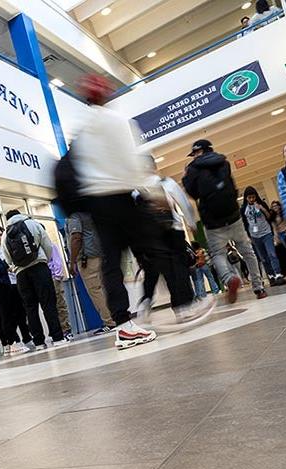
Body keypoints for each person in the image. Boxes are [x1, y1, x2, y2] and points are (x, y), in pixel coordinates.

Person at [70, 75, 214, 349]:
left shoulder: (83, 130)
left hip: (97, 203)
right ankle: (183, 306)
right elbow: (129, 159)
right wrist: (149, 192)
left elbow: (79, 169)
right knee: (160, 250)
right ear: (105, 94)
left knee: (111, 265)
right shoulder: (116, 121)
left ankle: (124, 326)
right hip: (122, 197)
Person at [183, 139, 267, 302]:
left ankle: (230, 279)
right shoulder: (223, 162)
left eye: (195, 153)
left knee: (218, 254)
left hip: (212, 221)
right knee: (247, 251)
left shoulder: (193, 169)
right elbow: (233, 187)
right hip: (233, 216)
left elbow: (193, 194)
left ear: (199, 152)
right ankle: (259, 288)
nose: (194, 157)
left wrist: (187, 177)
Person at [134, 174, 204, 323]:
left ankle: (146, 301)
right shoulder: (166, 182)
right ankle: (182, 307)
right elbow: (183, 203)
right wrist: (191, 222)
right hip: (173, 230)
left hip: (151, 235)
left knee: (156, 271)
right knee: (179, 269)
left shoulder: (135, 189)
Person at [2, 210, 66, 349]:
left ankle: (38, 342)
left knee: (30, 308)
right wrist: (45, 260)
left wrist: (17, 266)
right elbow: (47, 245)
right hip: (39, 268)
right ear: (20, 214)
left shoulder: (5, 234)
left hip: (21, 274)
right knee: (48, 303)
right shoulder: (32, 224)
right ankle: (57, 337)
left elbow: (7, 258)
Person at [65, 212, 116, 334]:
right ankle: (117, 316)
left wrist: (72, 262)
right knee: (105, 288)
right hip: (101, 254)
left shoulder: (74, 216)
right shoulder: (90, 212)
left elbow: (76, 238)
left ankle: (110, 322)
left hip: (87, 259)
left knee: (95, 290)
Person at [0, 226, 33, 348]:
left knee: (21, 313)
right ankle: (12, 341)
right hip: (6, 286)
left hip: (16, 283)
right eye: (1, 235)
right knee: (7, 315)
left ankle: (27, 338)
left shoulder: (6, 247)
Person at [240, 186, 286, 286]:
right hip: (255, 236)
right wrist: (248, 237)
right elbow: (244, 224)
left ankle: (278, 274)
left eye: (253, 197)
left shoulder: (261, 204)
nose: (252, 199)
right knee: (263, 258)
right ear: (246, 198)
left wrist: (262, 209)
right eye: (249, 198)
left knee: (272, 254)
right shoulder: (244, 209)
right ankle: (271, 276)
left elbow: (269, 217)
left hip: (266, 233)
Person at [46, 240, 74, 341]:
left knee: (60, 303)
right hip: (46, 279)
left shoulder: (50, 245)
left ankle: (66, 329)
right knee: (51, 306)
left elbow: (57, 261)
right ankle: (57, 330)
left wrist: (57, 276)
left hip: (54, 277)